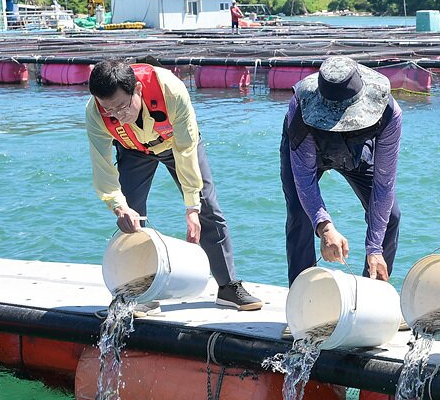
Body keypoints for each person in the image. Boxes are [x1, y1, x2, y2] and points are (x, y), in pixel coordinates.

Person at [86, 59, 262, 310]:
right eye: (109, 110)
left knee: (207, 209)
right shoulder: (95, 112)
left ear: (137, 89)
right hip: (133, 149)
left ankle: (228, 286)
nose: (117, 115)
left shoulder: (170, 88)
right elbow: (102, 166)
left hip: (175, 144)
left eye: (122, 107)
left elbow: (187, 149)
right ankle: (138, 292)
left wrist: (192, 208)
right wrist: (118, 206)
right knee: (131, 216)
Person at [280, 56, 401, 286]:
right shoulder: (300, 108)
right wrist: (324, 226)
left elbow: (384, 185)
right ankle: (302, 299)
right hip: (310, 150)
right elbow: (304, 178)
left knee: (391, 216)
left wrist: (374, 247)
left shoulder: (388, 113)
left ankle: (373, 294)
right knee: (300, 215)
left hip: (358, 150)